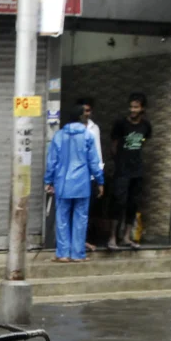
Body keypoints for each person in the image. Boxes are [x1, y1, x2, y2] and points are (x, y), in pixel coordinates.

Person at [45, 104, 105, 263]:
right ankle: (78, 254)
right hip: (82, 184)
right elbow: (94, 162)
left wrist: (48, 181)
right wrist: (100, 181)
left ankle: (63, 254)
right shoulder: (87, 136)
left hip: (63, 184)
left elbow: (52, 161)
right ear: (80, 118)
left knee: (62, 218)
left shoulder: (59, 136)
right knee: (81, 218)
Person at [109, 93, 153, 250]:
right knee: (118, 202)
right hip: (122, 169)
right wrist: (119, 162)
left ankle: (126, 237)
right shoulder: (121, 124)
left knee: (133, 203)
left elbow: (143, 141)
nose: (133, 110)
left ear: (142, 108)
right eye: (131, 106)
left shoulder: (145, 126)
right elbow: (114, 145)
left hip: (137, 169)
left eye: (136, 107)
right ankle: (113, 237)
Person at [76, 97, 104, 253]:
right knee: (76, 211)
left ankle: (83, 241)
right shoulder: (71, 129)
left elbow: (97, 154)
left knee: (88, 211)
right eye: (83, 111)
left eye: (88, 110)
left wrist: (100, 178)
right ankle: (78, 244)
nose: (85, 114)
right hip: (76, 177)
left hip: (91, 176)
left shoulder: (94, 128)